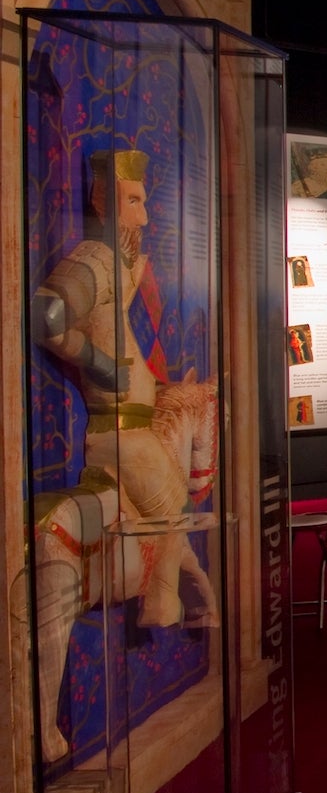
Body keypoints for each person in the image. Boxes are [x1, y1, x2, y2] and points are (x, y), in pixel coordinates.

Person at [33, 150, 209, 628]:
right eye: (133, 202)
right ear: (103, 203)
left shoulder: (119, 264)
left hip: (135, 427)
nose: (144, 217)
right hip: (118, 434)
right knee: (175, 505)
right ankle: (162, 600)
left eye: (143, 202)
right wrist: (98, 362)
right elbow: (46, 315)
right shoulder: (96, 259)